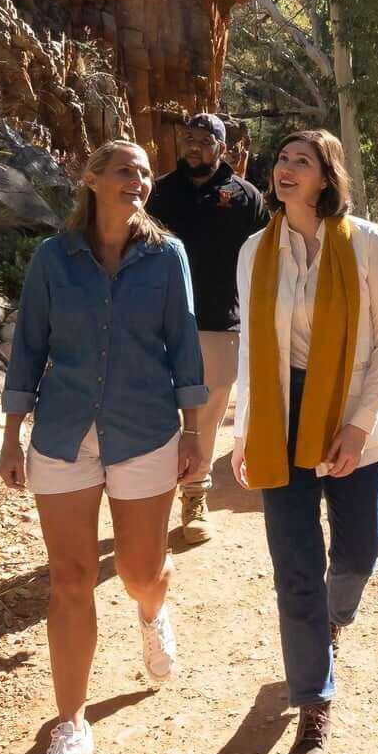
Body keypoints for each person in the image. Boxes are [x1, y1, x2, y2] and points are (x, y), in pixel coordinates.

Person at [0, 138, 210, 754]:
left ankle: (152, 609)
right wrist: (11, 434)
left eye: (145, 173)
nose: (138, 181)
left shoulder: (167, 256)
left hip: (145, 431)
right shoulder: (54, 260)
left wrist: (194, 434)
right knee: (71, 579)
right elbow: (30, 345)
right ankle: (70, 728)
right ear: (90, 179)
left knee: (141, 570)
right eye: (125, 171)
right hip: (63, 433)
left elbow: (185, 345)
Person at [230, 129, 378, 754]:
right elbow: (252, 347)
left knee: (360, 549)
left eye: (301, 162)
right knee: (296, 567)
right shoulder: (256, 251)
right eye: (282, 159)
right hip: (282, 415)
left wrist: (357, 427)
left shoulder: (366, 243)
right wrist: (245, 432)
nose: (285, 169)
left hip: (352, 406)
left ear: (326, 178)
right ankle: (314, 708)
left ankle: (334, 621)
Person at [144, 112, 266, 540]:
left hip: (220, 322)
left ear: (223, 146)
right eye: (188, 139)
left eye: (203, 140)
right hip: (158, 319)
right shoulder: (157, 193)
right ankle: (153, 498)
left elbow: (265, 258)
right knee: (160, 410)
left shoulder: (246, 197)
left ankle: (195, 496)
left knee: (209, 416)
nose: (193, 147)